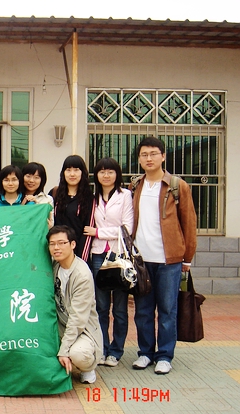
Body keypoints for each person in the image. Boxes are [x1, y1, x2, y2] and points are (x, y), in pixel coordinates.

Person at [130, 136, 197, 375]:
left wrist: (187, 258)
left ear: (163, 156)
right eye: (144, 155)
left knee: (168, 310)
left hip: (169, 260)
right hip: (141, 261)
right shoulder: (135, 185)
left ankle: (165, 355)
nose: (149, 158)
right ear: (139, 159)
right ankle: (145, 353)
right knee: (143, 310)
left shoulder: (177, 186)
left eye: (153, 154)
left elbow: (189, 223)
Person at [83, 158, 134, 367]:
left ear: (117, 174)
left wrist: (98, 232)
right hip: (97, 255)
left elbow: (127, 228)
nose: (106, 175)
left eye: (110, 171)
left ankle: (116, 350)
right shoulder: (92, 198)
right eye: (102, 172)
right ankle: (102, 349)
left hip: (119, 255)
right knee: (101, 306)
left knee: (120, 308)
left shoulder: (125, 196)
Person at [47, 225, 103, 384]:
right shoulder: (55, 265)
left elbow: (77, 320)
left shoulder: (82, 275)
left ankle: (88, 367)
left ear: (72, 244)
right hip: (60, 325)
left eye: (61, 243)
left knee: (78, 354)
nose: (56, 248)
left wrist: (64, 351)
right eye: (52, 244)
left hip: (83, 329)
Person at [49, 155, 95, 262]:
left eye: (76, 170)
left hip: (77, 254)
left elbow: (88, 232)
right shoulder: (55, 194)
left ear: (83, 173)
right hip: (56, 253)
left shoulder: (89, 198)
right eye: (68, 170)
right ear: (63, 173)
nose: (72, 174)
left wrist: (81, 261)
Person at [22, 162, 54, 228]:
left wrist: (36, 203)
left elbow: (50, 223)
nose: (31, 180)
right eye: (28, 176)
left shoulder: (47, 199)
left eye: (36, 177)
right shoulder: (16, 197)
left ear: (42, 180)